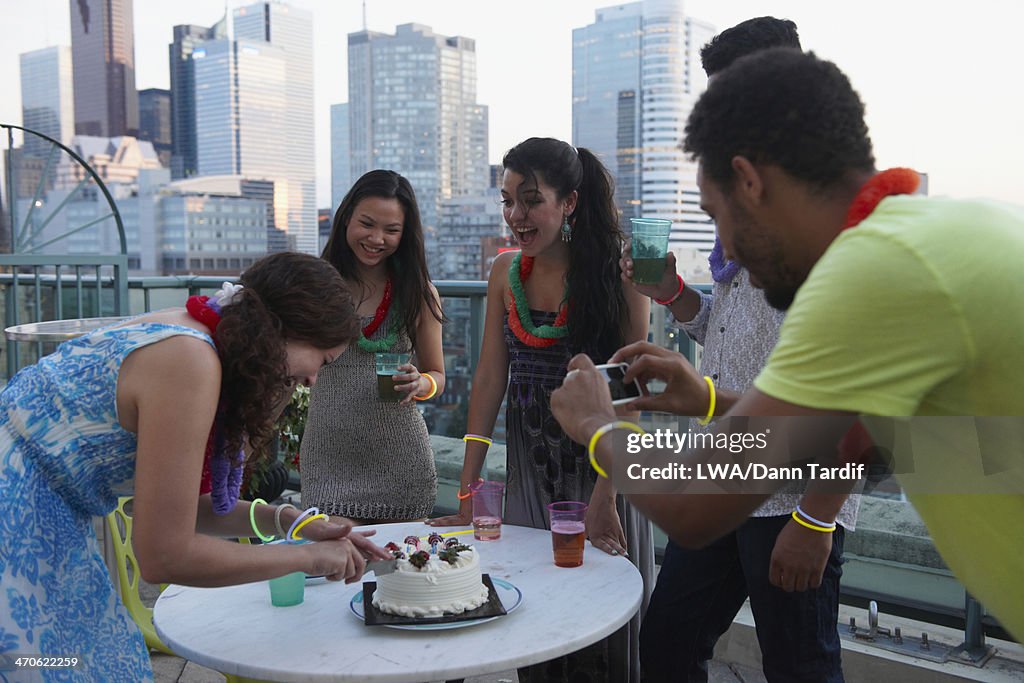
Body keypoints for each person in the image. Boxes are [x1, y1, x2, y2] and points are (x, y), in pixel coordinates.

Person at [551, 48, 1024, 644]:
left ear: (749, 180)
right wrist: (705, 398)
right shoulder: (938, 233)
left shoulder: (873, 274)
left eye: (716, 214)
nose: (726, 248)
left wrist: (596, 424)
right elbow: (871, 438)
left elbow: (696, 506)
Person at [0, 252, 393, 681]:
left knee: (95, 662)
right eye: (322, 360)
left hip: (37, 505)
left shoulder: (198, 331)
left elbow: (187, 507)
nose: (314, 381)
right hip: (17, 511)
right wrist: (306, 559)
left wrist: (291, 522)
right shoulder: (190, 362)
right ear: (286, 331)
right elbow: (165, 555)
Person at [625, 18, 857, 682]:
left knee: (800, 668)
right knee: (668, 641)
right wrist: (673, 293)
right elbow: (735, 335)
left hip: (793, 496)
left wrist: (816, 521)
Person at [429, 137, 650, 681]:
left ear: (569, 203)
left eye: (530, 200)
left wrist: (606, 496)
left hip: (603, 471)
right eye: (507, 201)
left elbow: (632, 397)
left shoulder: (622, 274)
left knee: (602, 624)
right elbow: (488, 381)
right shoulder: (505, 272)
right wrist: (468, 496)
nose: (515, 216)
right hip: (531, 473)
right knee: (536, 623)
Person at [300, 170, 446, 523]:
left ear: (405, 234)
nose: (377, 238)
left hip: (402, 465)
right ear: (346, 217)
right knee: (332, 569)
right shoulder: (315, 285)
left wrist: (420, 384)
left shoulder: (418, 292)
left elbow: (438, 375)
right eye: (367, 223)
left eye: (391, 230)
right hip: (327, 461)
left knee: (402, 575)